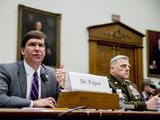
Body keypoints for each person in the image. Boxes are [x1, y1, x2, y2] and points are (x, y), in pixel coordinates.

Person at [0, 30, 65, 108]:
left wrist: (63, 86)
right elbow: (1, 98)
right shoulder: (7, 70)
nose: (37, 49)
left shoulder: (51, 74)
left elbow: (61, 103)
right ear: (23, 51)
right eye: (32, 44)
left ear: (44, 51)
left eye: (41, 45)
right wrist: (33, 103)